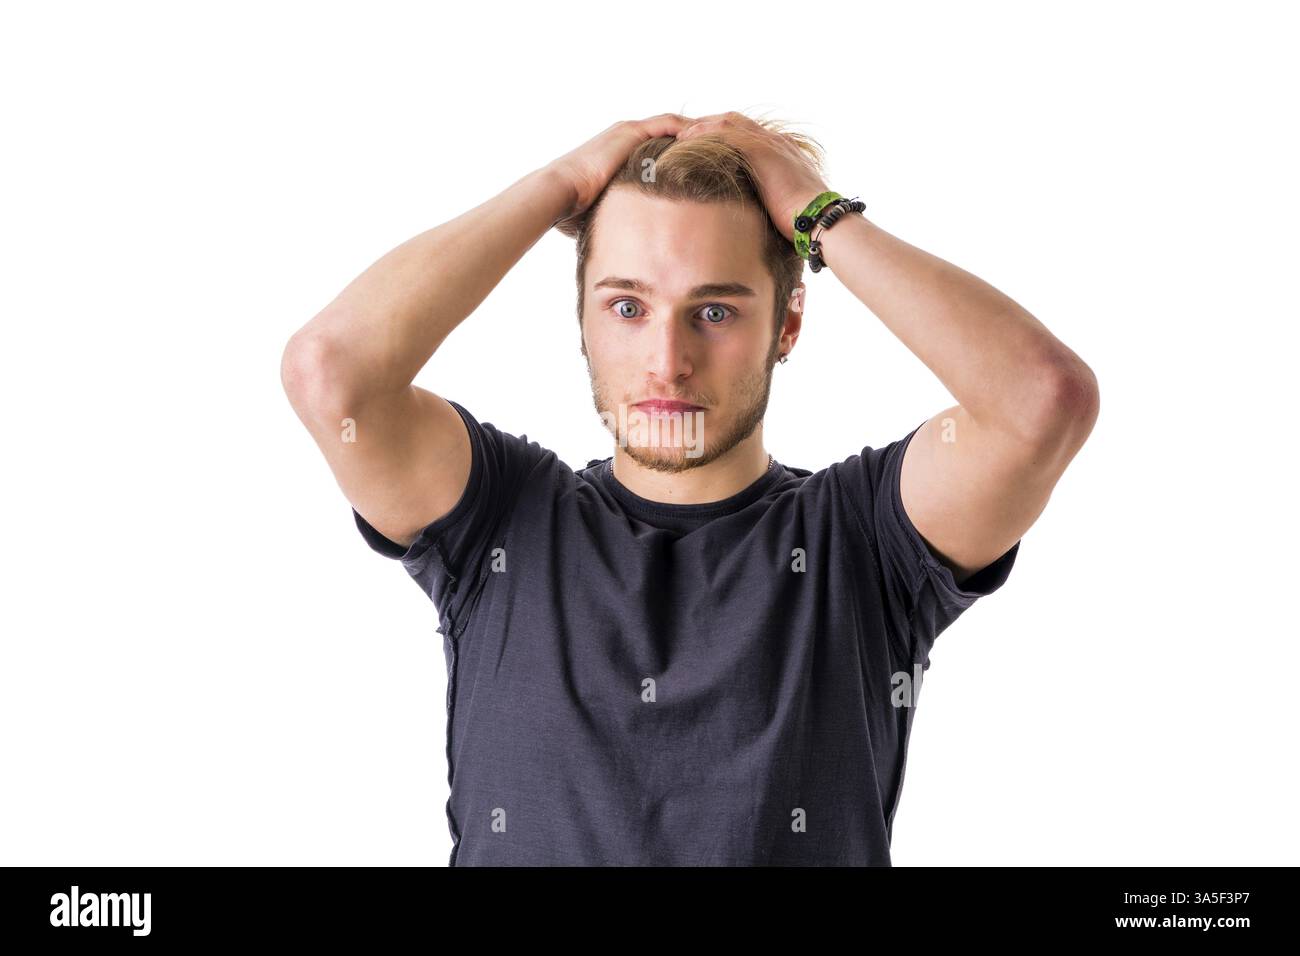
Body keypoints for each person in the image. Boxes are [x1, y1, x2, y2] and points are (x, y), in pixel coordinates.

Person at [280, 111, 1099, 866]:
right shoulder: (500, 519)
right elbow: (332, 376)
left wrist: (815, 212)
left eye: (715, 312)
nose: (667, 362)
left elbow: (1041, 401)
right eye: (628, 306)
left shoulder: (865, 541)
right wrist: (557, 189)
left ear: (788, 324)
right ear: (584, 321)